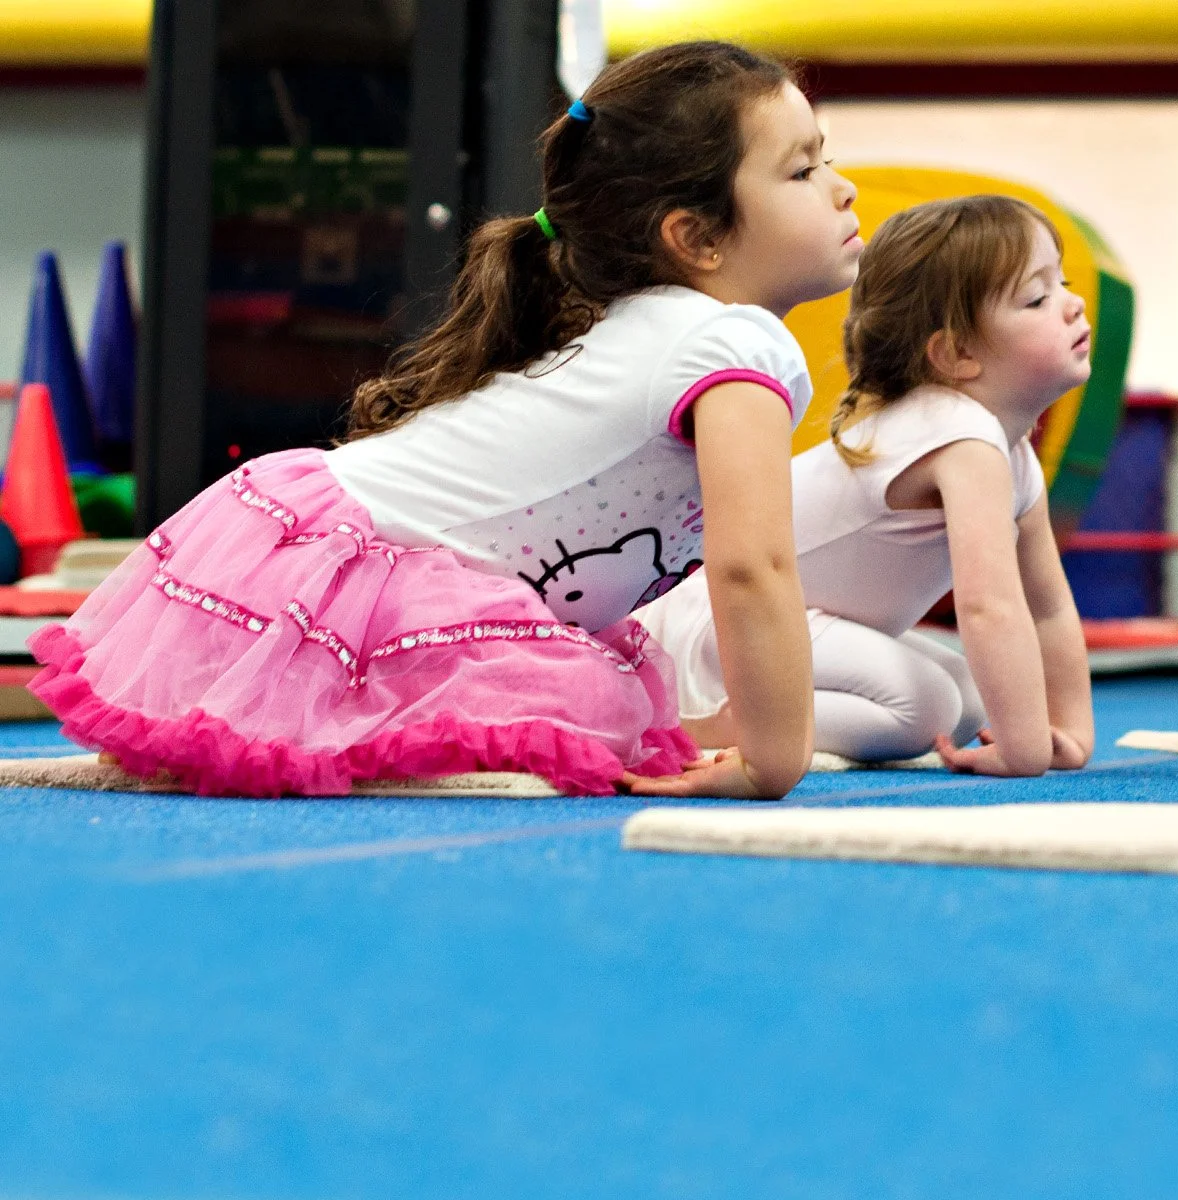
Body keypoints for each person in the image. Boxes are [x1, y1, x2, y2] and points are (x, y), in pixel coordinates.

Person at [29, 41, 861, 798]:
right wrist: (771, 759)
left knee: (588, 719)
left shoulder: (660, 327)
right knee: (573, 722)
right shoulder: (732, 342)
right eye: (800, 170)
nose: (843, 186)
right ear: (697, 236)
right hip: (340, 580)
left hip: (295, 545)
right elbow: (751, 567)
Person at [639, 195, 1094, 775]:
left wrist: (1065, 726)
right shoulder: (958, 432)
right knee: (925, 707)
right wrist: (1024, 749)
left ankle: (729, 708)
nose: (1073, 305)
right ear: (956, 353)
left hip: (792, 623)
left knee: (968, 697)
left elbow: (1046, 606)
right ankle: (696, 719)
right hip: (722, 624)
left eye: (1063, 282)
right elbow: (988, 607)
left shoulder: (1011, 455)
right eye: (1037, 298)